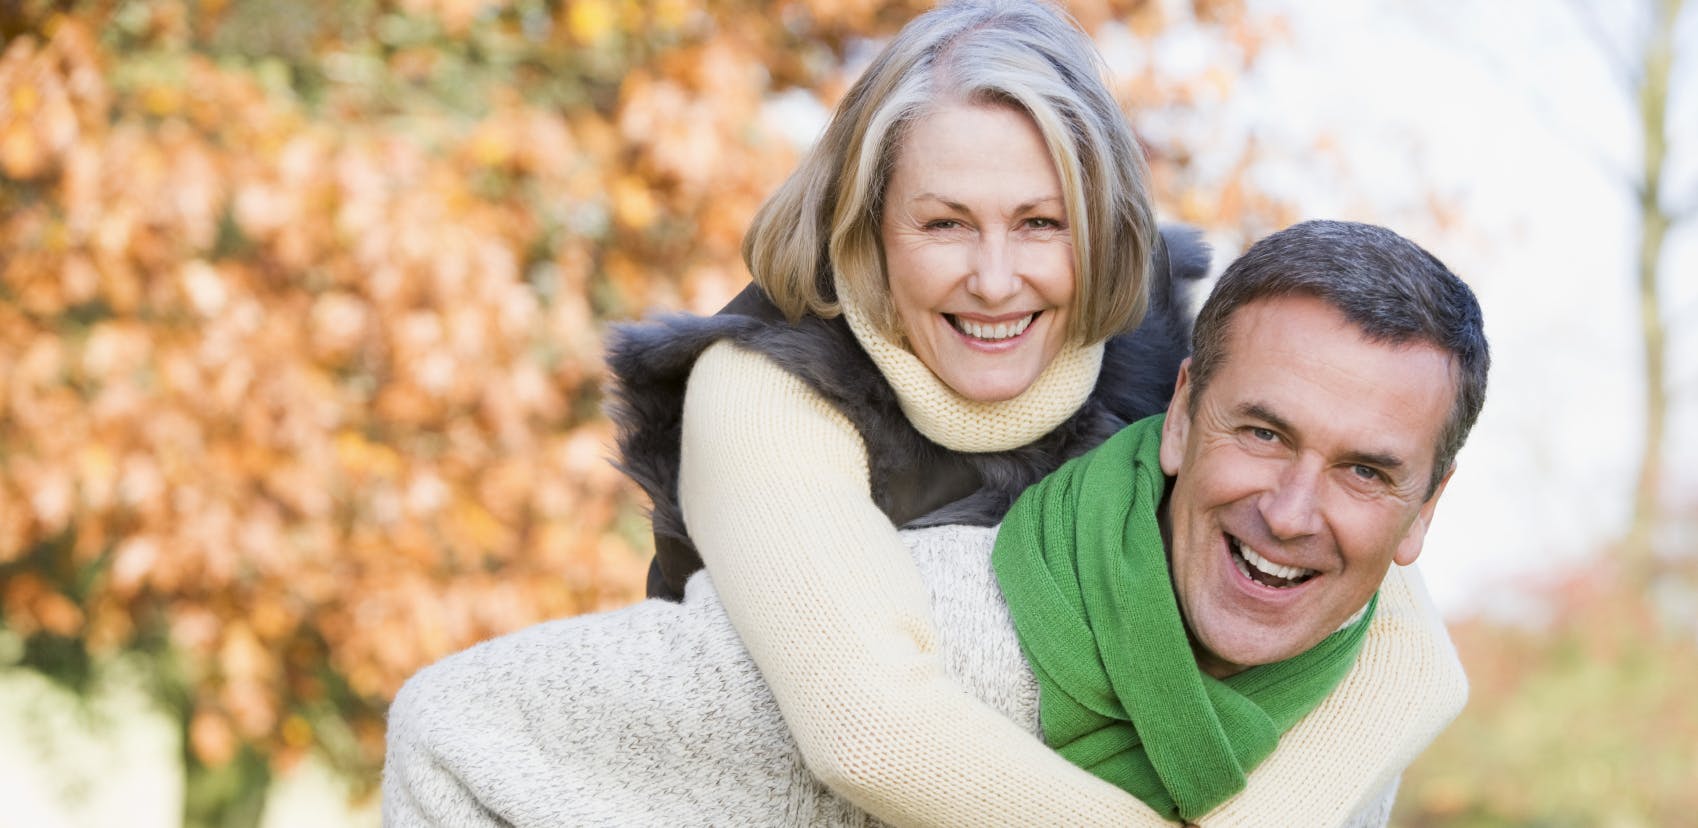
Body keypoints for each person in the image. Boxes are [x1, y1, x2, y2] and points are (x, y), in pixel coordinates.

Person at [381, 219, 1485, 827]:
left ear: (1421, 515)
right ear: (1182, 418)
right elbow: (456, 727)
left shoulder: (1339, 728)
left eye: (1365, 472)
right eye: (1263, 434)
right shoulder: (959, 630)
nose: (1293, 512)